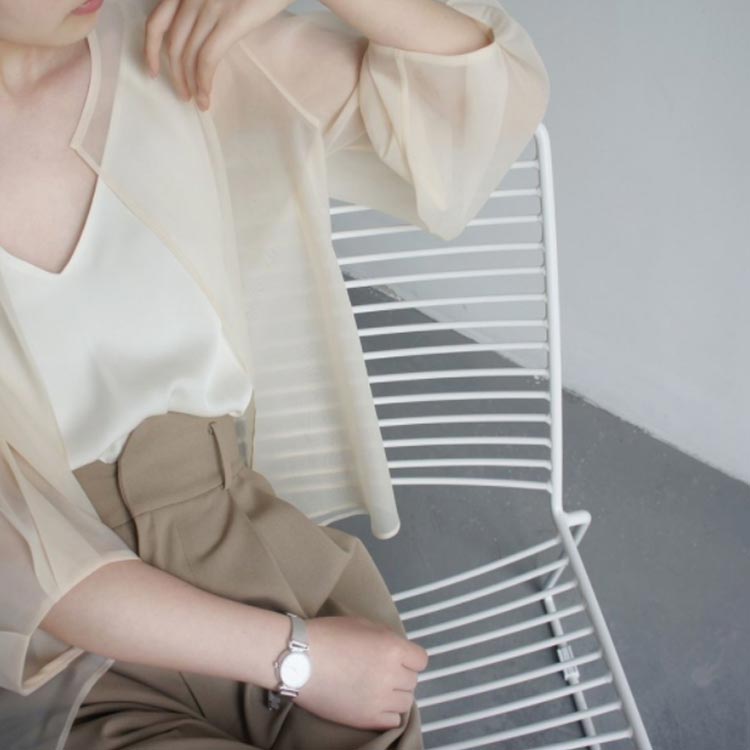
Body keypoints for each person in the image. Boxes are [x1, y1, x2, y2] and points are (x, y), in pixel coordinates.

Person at [0, 0, 551, 748]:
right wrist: (299, 658)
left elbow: (478, 110)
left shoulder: (176, 46)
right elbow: (27, 564)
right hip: (56, 649)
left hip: (248, 550)